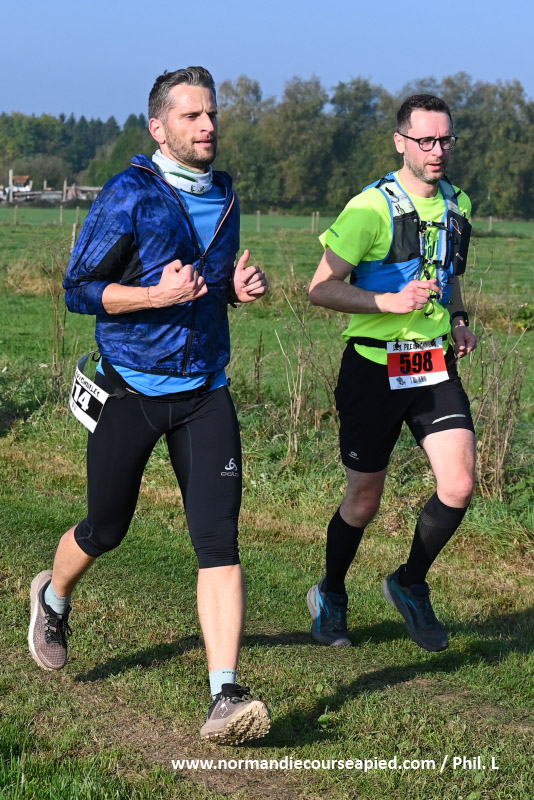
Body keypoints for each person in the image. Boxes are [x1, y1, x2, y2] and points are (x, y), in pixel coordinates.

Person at [28, 66, 271, 745]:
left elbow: (208, 285)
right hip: (132, 391)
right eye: (192, 116)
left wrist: (238, 289)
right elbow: (80, 289)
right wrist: (154, 297)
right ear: (159, 128)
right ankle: (52, 597)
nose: (208, 126)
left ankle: (225, 695)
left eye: (212, 114)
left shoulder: (225, 195)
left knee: (218, 540)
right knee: (106, 528)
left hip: (206, 392)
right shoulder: (128, 196)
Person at [306, 94, 477, 653]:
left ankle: (409, 582)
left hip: (432, 364)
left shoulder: (458, 203)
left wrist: (457, 320)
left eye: (445, 139)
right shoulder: (369, 208)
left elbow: (448, 273)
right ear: (401, 141)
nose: (437, 150)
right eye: (425, 140)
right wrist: (388, 302)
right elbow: (320, 288)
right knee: (364, 502)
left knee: (458, 485)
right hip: (373, 369)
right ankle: (331, 593)